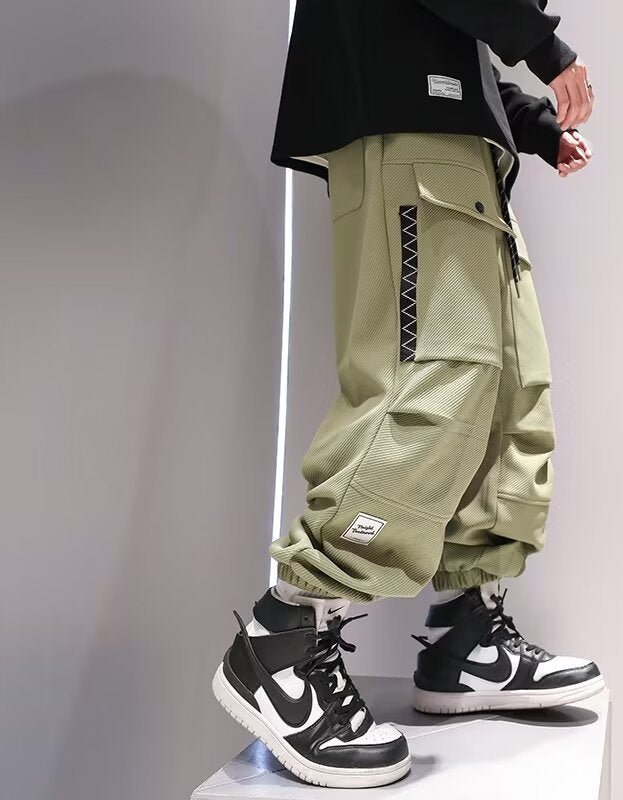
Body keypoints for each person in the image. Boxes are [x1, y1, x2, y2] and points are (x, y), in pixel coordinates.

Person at [211, 0, 602, 789]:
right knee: (434, 377)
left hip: (457, 134)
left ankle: (467, 636)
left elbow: (447, 32)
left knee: (509, 387)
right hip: (407, 122)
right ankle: (285, 634)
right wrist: (545, 47)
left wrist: (529, 121)